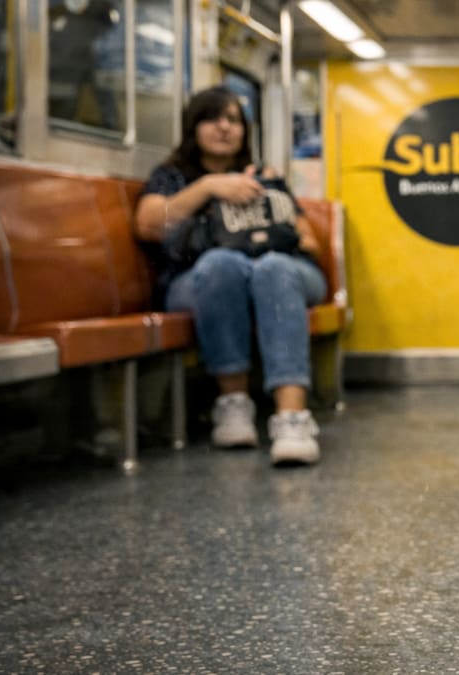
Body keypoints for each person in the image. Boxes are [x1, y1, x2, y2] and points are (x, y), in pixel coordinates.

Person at [133, 86, 327, 466]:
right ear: (193, 127)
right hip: (201, 277)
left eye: (233, 120)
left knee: (272, 269)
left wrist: (268, 215)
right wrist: (209, 188)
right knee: (221, 264)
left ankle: (292, 417)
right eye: (212, 118)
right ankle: (233, 405)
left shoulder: (264, 178)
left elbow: (310, 242)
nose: (224, 127)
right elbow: (147, 224)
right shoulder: (173, 177)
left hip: (281, 271)